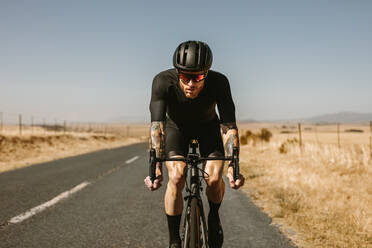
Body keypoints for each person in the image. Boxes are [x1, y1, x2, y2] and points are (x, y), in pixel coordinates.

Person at [144, 40, 245, 248]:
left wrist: (234, 164)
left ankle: (214, 216)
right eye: (185, 76)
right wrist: (154, 166)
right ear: (177, 72)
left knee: (215, 178)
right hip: (176, 129)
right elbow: (157, 127)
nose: (191, 83)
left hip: (208, 128)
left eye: (198, 76)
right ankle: (174, 240)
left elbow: (228, 126)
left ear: (206, 73)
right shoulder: (163, 82)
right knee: (177, 176)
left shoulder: (220, 82)